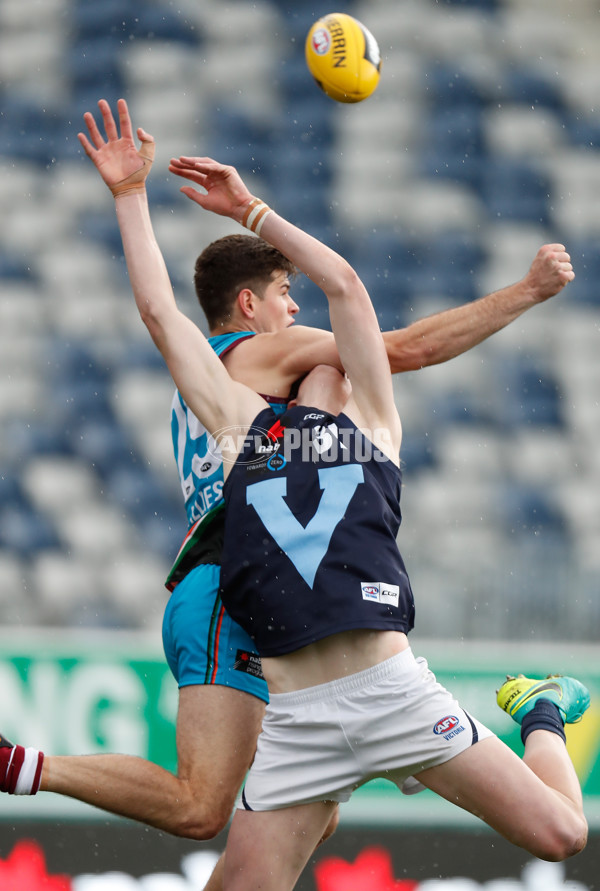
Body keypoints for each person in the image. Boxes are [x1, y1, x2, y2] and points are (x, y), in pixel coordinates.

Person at [0, 99, 584, 889]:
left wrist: (252, 210)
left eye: (335, 355)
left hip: (387, 690)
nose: (320, 349)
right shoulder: (248, 429)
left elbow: (342, 284)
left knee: (561, 834)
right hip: (300, 716)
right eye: (302, 332)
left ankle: (541, 706)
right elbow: (159, 316)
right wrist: (130, 197)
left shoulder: (377, 425)